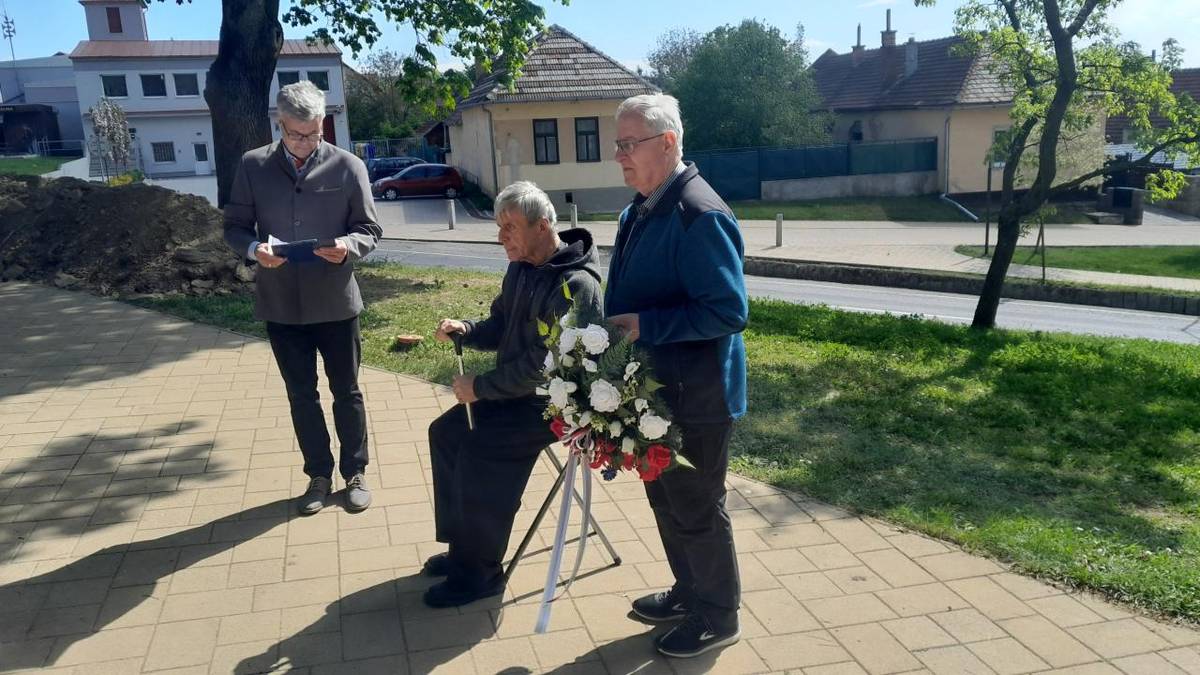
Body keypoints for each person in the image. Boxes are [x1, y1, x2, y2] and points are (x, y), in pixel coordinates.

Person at [604, 93, 749, 659]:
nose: (618, 155)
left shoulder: (698, 212)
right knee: (667, 501)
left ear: (667, 143)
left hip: (698, 396)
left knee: (696, 506)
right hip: (654, 394)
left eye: (628, 143)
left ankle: (720, 615)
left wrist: (646, 326)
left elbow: (728, 311)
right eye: (617, 143)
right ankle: (691, 592)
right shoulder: (642, 207)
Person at [424, 181, 602, 608]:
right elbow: (500, 324)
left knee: (482, 451)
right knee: (446, 434)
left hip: (555, 404)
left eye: (510, 227)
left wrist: (480, 387)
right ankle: (462, 549)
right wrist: (466, 328)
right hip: (516, 394)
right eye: (499, 225)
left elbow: (548, 367)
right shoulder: (520, 267)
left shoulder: (576, 285)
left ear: (542, 226)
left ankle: (481, 574)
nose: (500, 236)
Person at [223, 80, 382, 516]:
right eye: (296, 134)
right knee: (301, 394)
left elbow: (369, 229)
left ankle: (355, 472)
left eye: (314, 133)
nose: (306, 143)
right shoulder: (253, 166)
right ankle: (318, 474)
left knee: (346, 390)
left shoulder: (348, 167)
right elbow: (234, 226)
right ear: (280, 124)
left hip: (335, 301)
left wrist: (348, 246)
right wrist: (253, 250)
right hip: (281, 304)